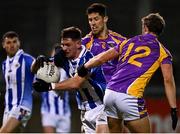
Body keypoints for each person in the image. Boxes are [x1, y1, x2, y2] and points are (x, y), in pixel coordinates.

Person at [77, 13, 178, 132]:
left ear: (145, 27)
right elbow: (168, 80)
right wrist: (173, 108)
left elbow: (102, 58)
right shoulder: (163, 52)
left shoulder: (129, 42)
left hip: (110, 93)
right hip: (130, 96)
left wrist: (85, 66)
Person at [32, 26, 109, 133]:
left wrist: (50, 86)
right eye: (62, 45)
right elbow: (35, 69)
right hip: (85, 109)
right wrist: (39, 60)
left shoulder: (88, 59)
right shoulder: (66, 58)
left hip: (101, 107)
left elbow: (77, 82)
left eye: (68, 45)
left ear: (78, 44)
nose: (64, 48)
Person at [82, 3, 126, 82]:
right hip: (95, 88)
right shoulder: (85, 42)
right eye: (90, 20)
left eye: (96, 19)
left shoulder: (119, 40)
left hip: (116, 87)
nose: (93, 23)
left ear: (105, 19)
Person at [0, 31, 35, 132]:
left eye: (14, 42)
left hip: (22, 106)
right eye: (8, 42)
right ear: (3, 45)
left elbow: (41, 71)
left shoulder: (27, 59)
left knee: (3, 132)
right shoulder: (4, 64)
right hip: (8, 108)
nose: (12, 45)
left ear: (19, 43)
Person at [40, 45, 71, 133]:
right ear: (51, 55)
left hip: (64, 112)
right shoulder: (44, 69)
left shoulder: (67, 70)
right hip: (48, 111)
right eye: (55, 53)